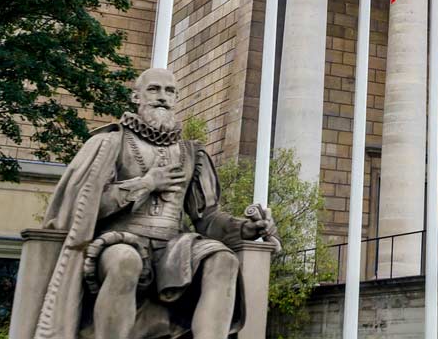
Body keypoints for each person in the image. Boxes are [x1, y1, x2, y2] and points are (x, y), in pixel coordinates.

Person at [30, 68, 277, 339]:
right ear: (136, 97)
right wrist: (146, 184)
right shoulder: (111, 142)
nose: (162, 97)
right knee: (125, 261)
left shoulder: (192, 153)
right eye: (154, 89)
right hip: (118, 240)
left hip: (172, 247)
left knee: (222, 259)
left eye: (169, 91)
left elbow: (207, 217)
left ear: (176, 98)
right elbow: (84, 207)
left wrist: (244, 229)